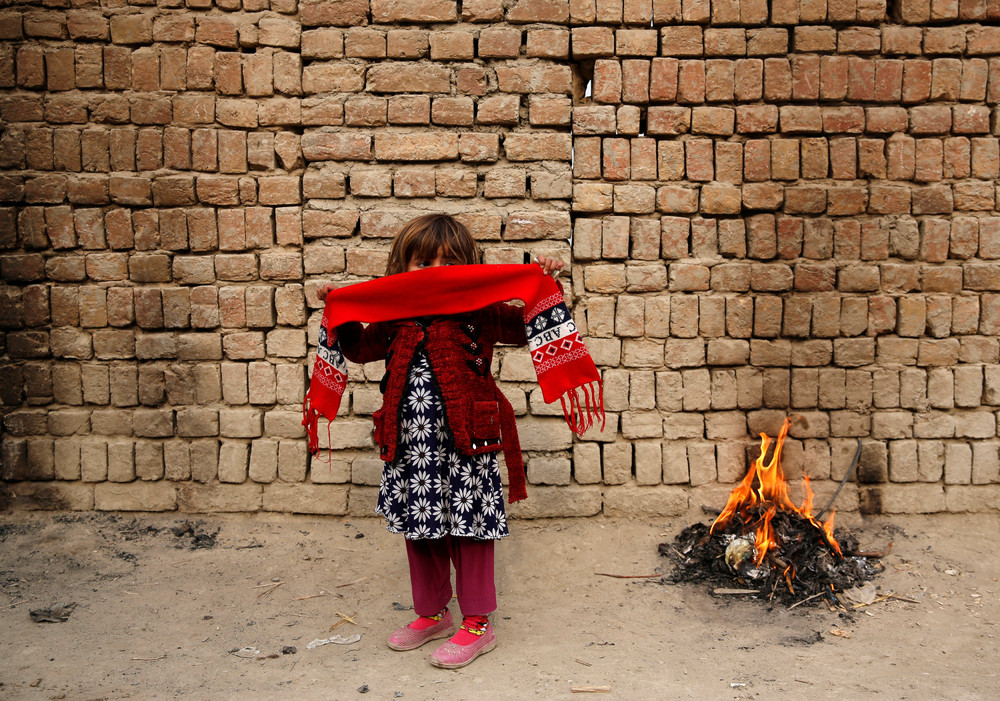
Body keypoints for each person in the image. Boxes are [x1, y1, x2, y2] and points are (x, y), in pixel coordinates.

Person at [314, 214, 563, 669]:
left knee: (471, 531)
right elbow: (360, 349)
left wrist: (543, 283)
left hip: (469, 443)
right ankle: (433, 614)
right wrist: (341, 311)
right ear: (400, 267)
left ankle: (476, 624)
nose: (435, 269)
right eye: (422, 261)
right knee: (419, 528)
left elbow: (526, 325)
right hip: (412, 444)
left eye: (449, 261)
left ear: (469, 267)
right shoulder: (394, 312)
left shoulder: (482, 310)